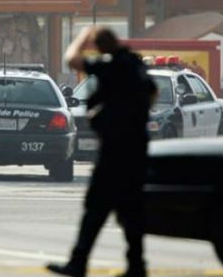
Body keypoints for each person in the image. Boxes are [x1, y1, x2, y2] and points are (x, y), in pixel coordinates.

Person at [46, 26, 157, 277]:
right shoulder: (134, 63)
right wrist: (133, 113)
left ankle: (78, 262)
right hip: (137, 149)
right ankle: (137, 266)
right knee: (131, 211)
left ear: (100, 46)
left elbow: (71, 59)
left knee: (95, 208)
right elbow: (153, 92)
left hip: (115, 150)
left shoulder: (113, 65)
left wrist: (83, 36)